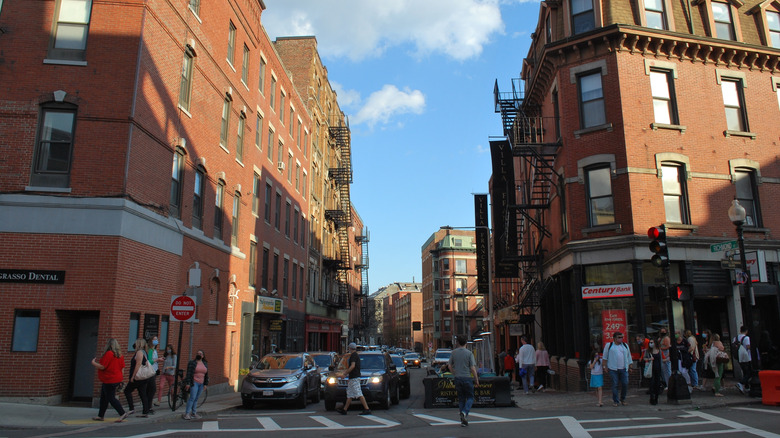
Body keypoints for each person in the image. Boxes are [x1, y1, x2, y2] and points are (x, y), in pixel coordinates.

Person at [91, 338, 129, 422]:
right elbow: (122, 368)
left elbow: (103, 366)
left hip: (109, 379)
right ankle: (101, 415)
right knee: (104, 397)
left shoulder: (109, 354)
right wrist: (120, 379)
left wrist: (93, 363)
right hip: (116, 378)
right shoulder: (120, 355)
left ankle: (122, 413)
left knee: (111, 398)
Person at [448, 335, 479, 427]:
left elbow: (449, 366)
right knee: (470, 397)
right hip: (467, 378)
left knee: (461, 399)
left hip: (458, 378)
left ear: (457, 342)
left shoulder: (453, 353)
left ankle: (463, 420)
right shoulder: (469, 353)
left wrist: (454, 373)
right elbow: (472, 368)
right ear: (466, 343)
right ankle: (465, 412)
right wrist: (476, 379)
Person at [336, 343, 371, 416]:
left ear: (350, 348)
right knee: (350, 394)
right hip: (353, 377)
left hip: (354, 377)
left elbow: (352, 366)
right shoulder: (355, 355)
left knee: (358, 393)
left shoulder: (353, 356)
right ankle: (344, 410)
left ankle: (367, 409)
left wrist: (344, 374)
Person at [124, 338, 152, 417]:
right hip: (143, 377)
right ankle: (145, 411)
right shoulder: (144, 352)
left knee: (127, 391)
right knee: (142, 393)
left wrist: (133, 376)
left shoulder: (139, 352)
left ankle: (131, 408)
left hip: (138, 377)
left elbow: (138, 364)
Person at [603, 332, 631, 406]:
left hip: (623, 368)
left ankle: (623, 398)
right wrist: (605, 366)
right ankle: (616, 400)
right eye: (619, 337)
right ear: (614, 338)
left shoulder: (625, 346)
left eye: (621, 337)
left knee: (625, 383)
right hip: (613, 368)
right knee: (615, 384)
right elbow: (605, 357)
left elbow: (629, 356)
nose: (621, 339)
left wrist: (630, 365)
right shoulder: (609, 346)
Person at [183, 349, 208, 420]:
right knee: (192, 397)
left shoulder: (205, 363)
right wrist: (188, 383)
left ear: (203, 356)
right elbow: (189, 373)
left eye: (200, 354)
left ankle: (194, 413)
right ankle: (187, 413)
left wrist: (205, 384)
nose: (199, 355)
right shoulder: (192, 363)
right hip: (194, 382)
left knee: (196, 398)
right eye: (198, 353)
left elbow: (206, 374)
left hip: (201, 383)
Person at [644, 338, 663, 405]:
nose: (651, 344)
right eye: (650, 342)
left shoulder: (659, 350)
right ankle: (652, 397)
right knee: (652, 383)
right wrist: (649, 359)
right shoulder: (648, 351)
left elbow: (662, 359)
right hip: (651, 368)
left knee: (657, 383)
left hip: (658, 368)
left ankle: (656, 398)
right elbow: (644, 358)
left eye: (652, 342)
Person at [734, 326, 752, 394]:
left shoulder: (735, 338)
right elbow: (748, 346)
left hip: (739, 357)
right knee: (749, 372)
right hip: (747, 357)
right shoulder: (746, 338)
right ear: (746, 331)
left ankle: (746, 387)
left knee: (745, 371)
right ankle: (741, 383)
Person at [147, 336, 161, 408]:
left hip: (154, 370)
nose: (156, 341)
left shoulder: (154, 350)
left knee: (151, 389)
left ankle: (149, 405)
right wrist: (156, 360)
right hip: (150, 371)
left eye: (157, 339)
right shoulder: (150, 350)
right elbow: (149, 361)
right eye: (154, 339)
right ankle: (148, 406)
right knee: (152, 389)